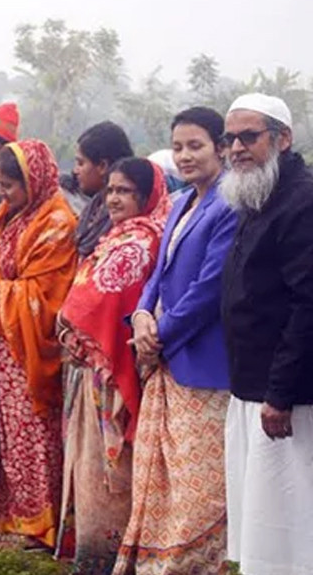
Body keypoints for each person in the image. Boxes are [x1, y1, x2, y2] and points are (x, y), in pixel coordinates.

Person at [116, 107, 237, 574]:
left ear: (220, 149)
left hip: (203, 365)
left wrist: (156, 338)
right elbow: (158, 274)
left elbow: (209, 290)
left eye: (196, 146)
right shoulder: (182, 201)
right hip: (167, 357)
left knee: (198, 487)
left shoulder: (230, 204)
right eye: (179, 146)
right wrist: (142, 314)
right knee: (160, 477)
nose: (185, 156)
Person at [0, 139, 78, 550]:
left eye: (9, 185)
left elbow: (49, 292)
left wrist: (0, 294)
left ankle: (36, 527)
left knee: (29, 436)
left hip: (28, 349)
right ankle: (1, 516)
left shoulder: (58, 223)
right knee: (0, 434)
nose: (1, 194)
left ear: (36, 180)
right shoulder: (9, 215)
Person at [57, 158, 170, 572]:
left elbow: (102, 301)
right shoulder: (117, 235)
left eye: (124, 190)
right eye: (110, 190)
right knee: (90, 464)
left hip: (113, 376)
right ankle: (94, 553)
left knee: (112, 468)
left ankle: (112, 556)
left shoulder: (142, 241)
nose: (114, 198)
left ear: (146, 195)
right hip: (92, 369)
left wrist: (73, 328)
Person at [218, 93, 313, 575]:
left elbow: (308, 305)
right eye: (229, 138)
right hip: (253, 388)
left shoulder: (302, 200)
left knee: (291, 526)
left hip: (288, 401)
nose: (235, 148)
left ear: (283, 139)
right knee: (263, 521)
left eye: (248, 136)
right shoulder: (259, 195)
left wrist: (280, 393)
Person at [73, 121, 135, 259]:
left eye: (80, 163)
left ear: (102, 166)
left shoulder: (125, 214)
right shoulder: (94, 207)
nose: (75, 171)